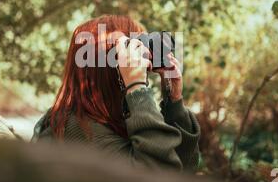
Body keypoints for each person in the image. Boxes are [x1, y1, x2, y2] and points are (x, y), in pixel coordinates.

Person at [32, 15, 201, 171]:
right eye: (130, 48)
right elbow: (156, 178)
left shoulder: (122, 118)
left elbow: (182, 171)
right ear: (103, 67)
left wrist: (174, 100)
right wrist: (137, 86)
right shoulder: (77, 127)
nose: (139, 59)